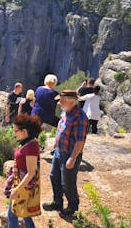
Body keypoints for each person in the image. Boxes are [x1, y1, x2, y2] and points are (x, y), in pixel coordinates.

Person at [43, 90, 88, 218]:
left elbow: (80, 141)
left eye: (62, 100)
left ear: (71, 101)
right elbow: (60, 128)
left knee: (67, 182)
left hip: (69, 154)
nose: (59, 103)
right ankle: (57, 202)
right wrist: (56, 143)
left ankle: (72, 206)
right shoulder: (66, 111)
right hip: (59, 152)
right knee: (54, 176)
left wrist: (72, 158)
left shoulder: (80, 117)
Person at [4, 114, 42, 228]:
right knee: (25, 214)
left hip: (24, 186)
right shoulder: (27, 142)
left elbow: (31, 172)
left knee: (12, 213)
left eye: (16, 131)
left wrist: (17, 189)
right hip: (21, 183)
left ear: (24, 131)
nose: (14, 133)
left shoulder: (31, 146)